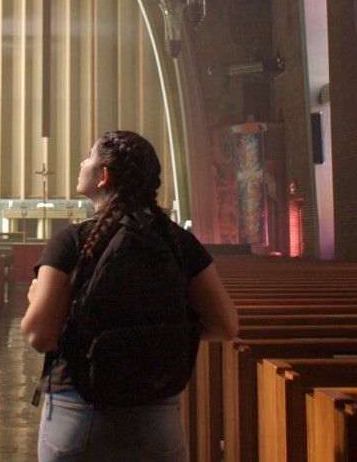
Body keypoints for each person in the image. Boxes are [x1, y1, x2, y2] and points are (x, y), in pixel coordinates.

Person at [20, 130, 238, 461]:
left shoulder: (71, 241)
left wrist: (38, 297)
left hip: (79, 412)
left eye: (88, 157)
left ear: (104, 176)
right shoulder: (179, 241)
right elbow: (225, 326)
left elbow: (39, 336)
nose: (81, 163)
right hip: (157, 414)